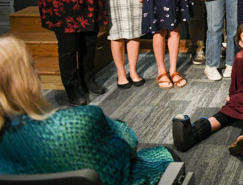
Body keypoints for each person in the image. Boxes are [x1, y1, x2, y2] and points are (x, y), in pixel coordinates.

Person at [0, 36, 177, 183]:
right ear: (27, 78)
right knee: (167, 156)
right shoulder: (79, 122)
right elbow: (128, 145)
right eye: (32, 65)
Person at [172, 23, 243, 157]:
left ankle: (242, 140)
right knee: (227, 112)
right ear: (241, 43)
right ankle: (192, 133)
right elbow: (236, 81)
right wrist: (232, 96)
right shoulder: (240, 57)